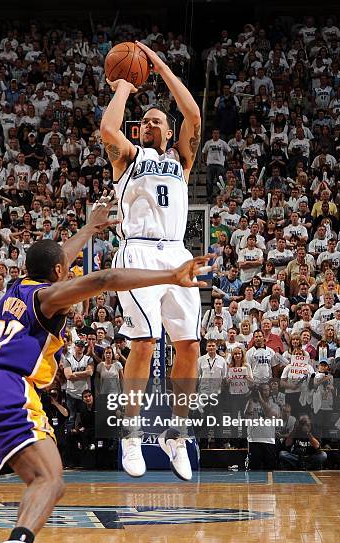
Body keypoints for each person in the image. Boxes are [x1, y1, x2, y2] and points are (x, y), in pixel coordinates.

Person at [0, 193, 208, 543]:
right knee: (50, 479)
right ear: (60, 274)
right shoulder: (48, 297)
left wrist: (89, 227)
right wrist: (169, 276)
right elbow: (102, 280)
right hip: (5, 388)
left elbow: (55, 257)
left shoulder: (17, 287)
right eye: (65, 271)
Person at [100, 40, 202, 480]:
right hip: (138, 249)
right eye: (143, 121)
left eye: (155, 120)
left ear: (168, 128)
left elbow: (193, 114)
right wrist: (124, 85)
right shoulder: (128, 158)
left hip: (178, 252)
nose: (146, 124)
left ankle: (176, 436)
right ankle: (132, 433)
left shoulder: (181, 160)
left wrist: (157, 66)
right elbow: (108, 129)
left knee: (190, 347)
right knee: (143, 343)